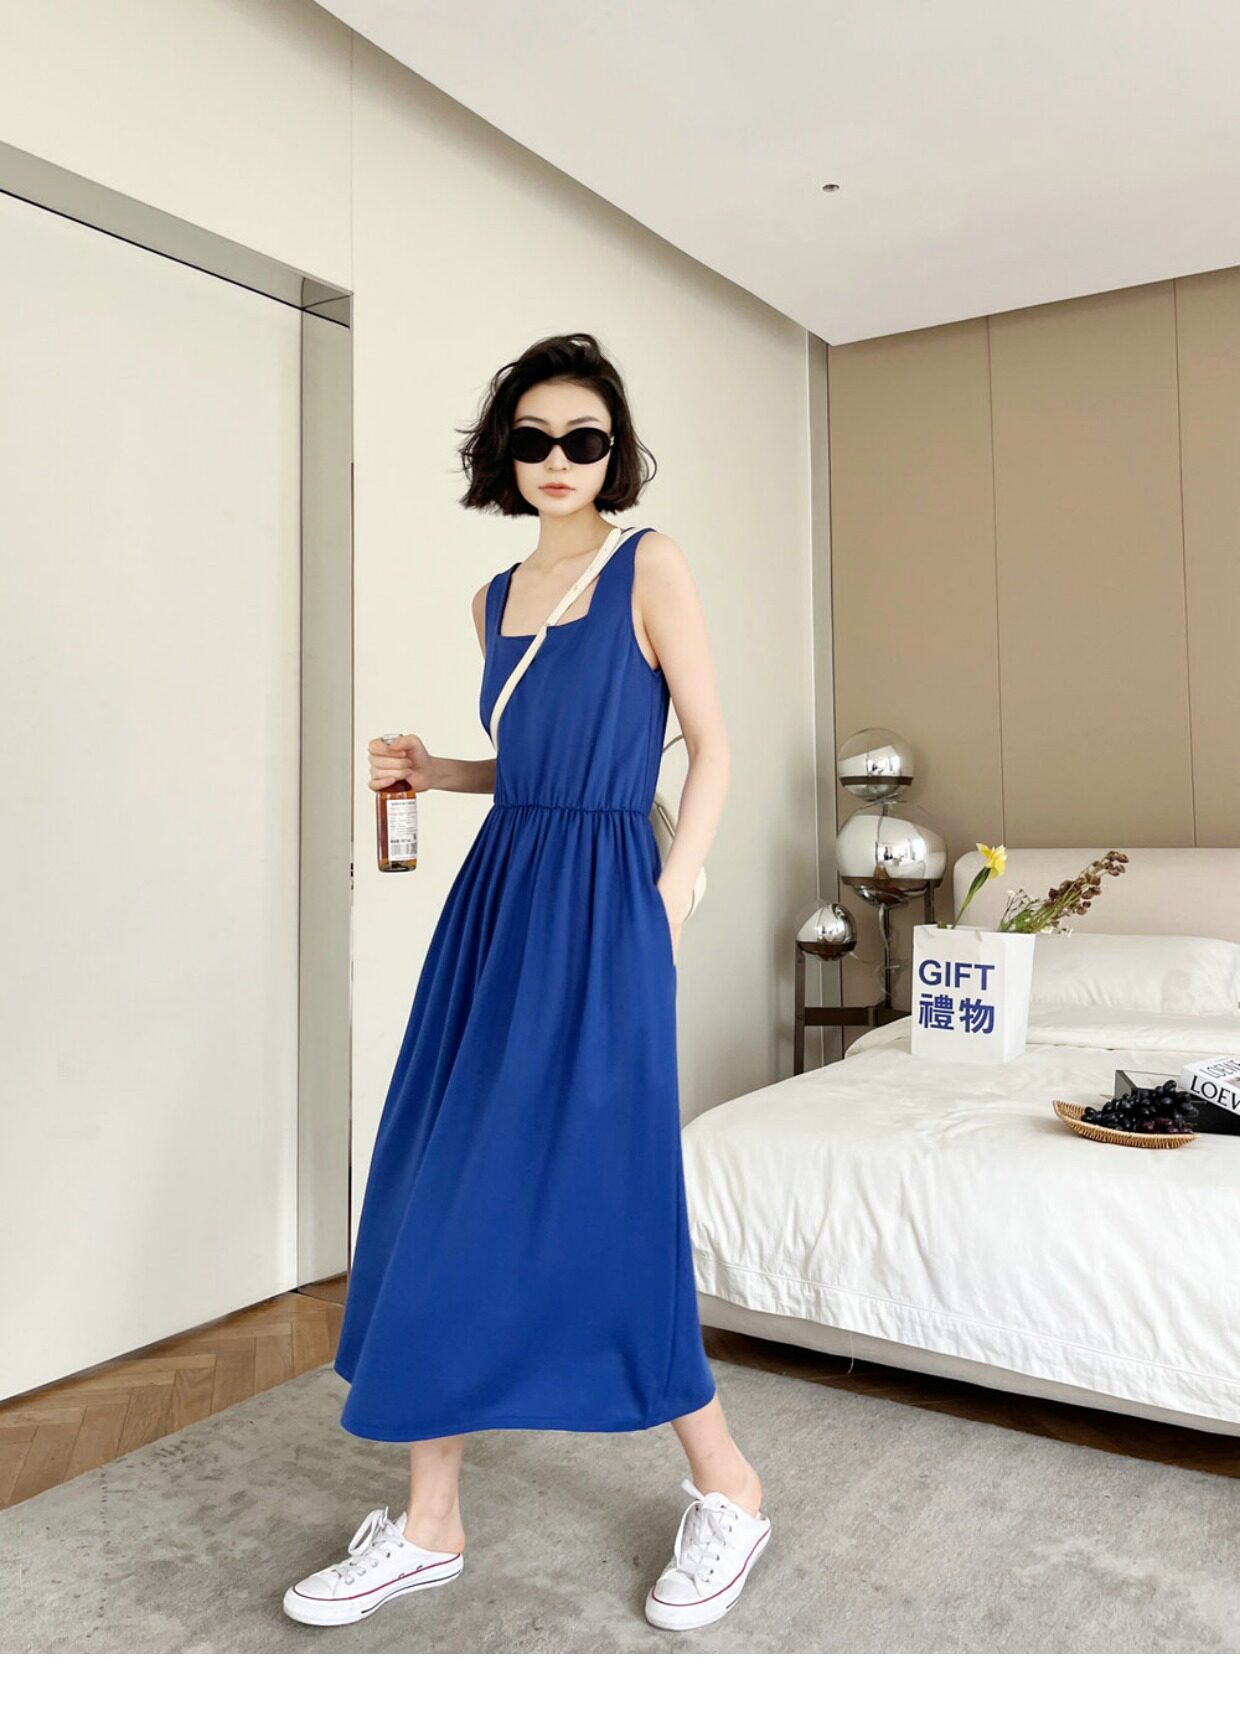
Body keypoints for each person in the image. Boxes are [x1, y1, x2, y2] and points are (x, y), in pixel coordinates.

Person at [284, 333, 770, 1633]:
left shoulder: (649, 564)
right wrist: (437, 772)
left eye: (584, 440)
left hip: (611, 902)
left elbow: (711, 745)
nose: (559, 459)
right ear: (505, 453)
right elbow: (536, 766)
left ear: (616, 454)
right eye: (534, 439)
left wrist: (666, 901)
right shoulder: (494, 593)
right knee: (436, 1180)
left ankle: (728, 1484)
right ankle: (430, 1521)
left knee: (612, 1193)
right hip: (499, 900)